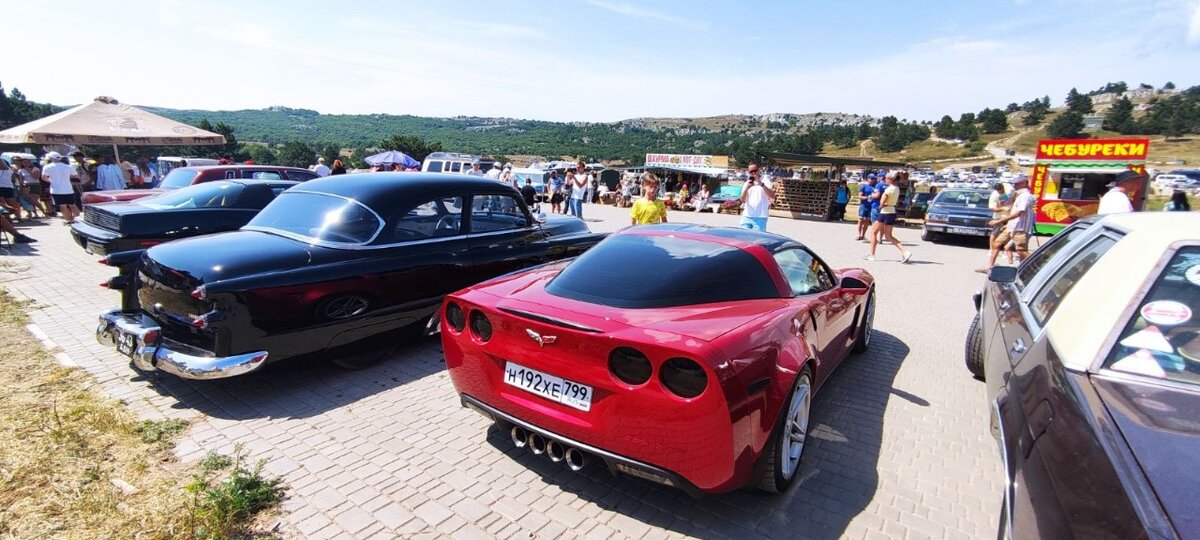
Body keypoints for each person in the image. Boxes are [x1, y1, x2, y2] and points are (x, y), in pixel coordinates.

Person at [982, 178, 1035, 272]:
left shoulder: (1026, 196)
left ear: (1024, 184)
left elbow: (1018, 214)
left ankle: (1036, 265)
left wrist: (998, 221)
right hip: (1012, 226)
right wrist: (1008, 224)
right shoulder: (1018, 195)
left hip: (1021, 228)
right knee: (996, 244)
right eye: (1014, 184)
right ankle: (989, 267)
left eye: (1017, 184)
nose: (1014, 186)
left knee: (1021, 251)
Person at [866, 172, 913, 262]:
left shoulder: (888, 190)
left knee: (874, 232)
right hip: (892, 211)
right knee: (888, 235)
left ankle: (872, 254)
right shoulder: (897, 189)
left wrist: (880, 206)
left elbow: (882, 202)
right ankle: (905, 251)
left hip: (885, 212)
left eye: (886, 178)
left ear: (890, 179)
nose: (885, 180)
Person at [42, 152, 79, 224]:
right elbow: (76, 175)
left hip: (56, 190)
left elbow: (44, 177)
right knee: (72, 204)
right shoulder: (68, 166)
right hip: (68, 189)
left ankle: (69, 220)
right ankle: (77, 219)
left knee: (62, 206)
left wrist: (51, 181)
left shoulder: (47, 167)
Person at [738, 162, 775, 231]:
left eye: (755, 170)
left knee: (757, 240)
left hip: (760, 216)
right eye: (751, 171)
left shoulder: (765, 180)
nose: (753, 173)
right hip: (747, 215)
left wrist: (761, 184)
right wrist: (747, 188)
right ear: (748, 172)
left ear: (759, 170)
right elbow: (742, 200)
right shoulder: (747, 183)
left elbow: (772, 195)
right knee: (743, 238)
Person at [985, 182, 1012, 264]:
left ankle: (1005, 251)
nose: (1000, 192)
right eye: (998, 191)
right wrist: (1003, 208)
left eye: (1001, 190)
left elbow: (1014, 197)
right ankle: (991, 249)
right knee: (995, 233)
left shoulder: (1009, 189)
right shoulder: (994, 195)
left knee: (1007, 234)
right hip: (998, 216)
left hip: (1010, 216)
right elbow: (993, 209)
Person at [855, 174, 878, 240]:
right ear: (868, 179)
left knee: (867, 221)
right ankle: (858, 234)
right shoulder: (864, 186)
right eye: (871, 178)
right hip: (864, 205)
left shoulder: (875, 187)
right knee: (860, 220)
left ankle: (863, 235)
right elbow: (860, 196)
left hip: (871, 205)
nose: (872, 180)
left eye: (873, 179)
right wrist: (867, 197)